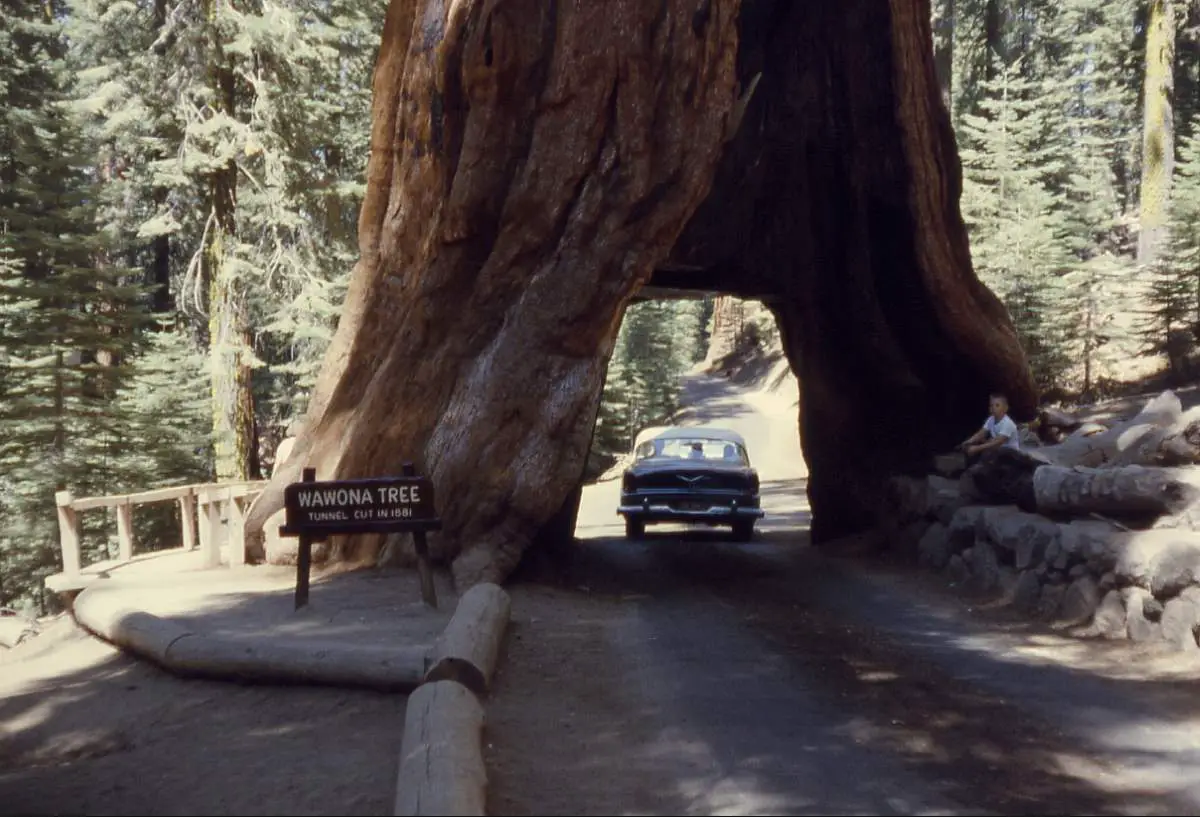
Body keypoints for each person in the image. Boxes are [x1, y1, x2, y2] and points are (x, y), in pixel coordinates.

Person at [960, 392, 1020, 457]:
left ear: (1005, 408)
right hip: (998, 449)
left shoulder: (1008, 423)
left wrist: (976, 448)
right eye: (991, 405)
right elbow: (981, 434)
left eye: (997, 405)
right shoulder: (991, 419)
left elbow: (996, 443)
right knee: (973, 443)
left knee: (988, 450)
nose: (993, 408)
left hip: (1010, 454)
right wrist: (969, 441)